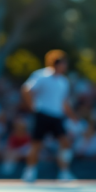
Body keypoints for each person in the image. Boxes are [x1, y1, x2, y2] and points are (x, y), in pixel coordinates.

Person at [21, 50, 76, 182]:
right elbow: (26, 90)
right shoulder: (41, 76)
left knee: (65, 144)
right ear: (57, 64)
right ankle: (30, 172)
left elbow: (64, 102)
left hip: (57, 117)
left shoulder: (63, 81)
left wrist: (72, 116)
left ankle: (64, 173)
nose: (65, 66)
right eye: (63, 63)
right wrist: (33, 107)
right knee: (36, 145)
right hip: (43, 115)